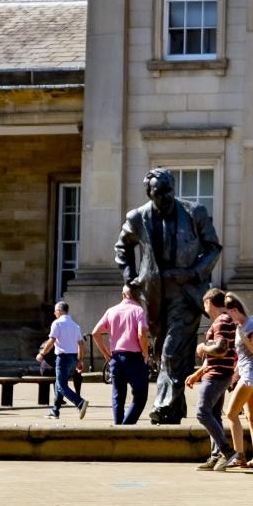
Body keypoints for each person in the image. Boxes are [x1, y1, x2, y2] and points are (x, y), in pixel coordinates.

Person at [115, 167, 222, 424]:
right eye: (158, 193)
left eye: (168, 191)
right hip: (154, 293)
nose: (164, 197)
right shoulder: (138, 217)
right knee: (167, 350)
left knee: (172, 351)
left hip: (186, 292)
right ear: (149, 192)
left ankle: (162, 405)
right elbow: (122, 247)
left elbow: (212, 247)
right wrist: (130, 279)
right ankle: (175, 409)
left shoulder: (194, 212)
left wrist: (193, 272)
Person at [187, 288, 237, 470]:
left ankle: (227, 451)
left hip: (217, 375)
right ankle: (215, 456)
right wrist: (198, 373)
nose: (204, 308)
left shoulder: (222, 321)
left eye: (205, 304)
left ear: (209, 302)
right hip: (218, 373)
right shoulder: (226, 320)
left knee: (202, 412)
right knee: (214, 415)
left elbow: (221, 348)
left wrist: (202, 347)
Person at [90, 283, 151, 424]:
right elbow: (142, 334)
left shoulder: (111, 311)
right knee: (140, 396)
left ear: (123, 295)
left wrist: (106, 354)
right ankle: (126, 426)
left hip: (116, 357)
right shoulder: (138, 311)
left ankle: (118, 427)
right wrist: (146, 353)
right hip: (135, 358)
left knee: (118, 396)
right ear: (136, 296)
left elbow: (95, 333)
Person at [222, 293, 253, 469]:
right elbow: (243, 358)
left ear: (234, 309)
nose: (228, 318)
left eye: (229, 313)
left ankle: (239, 456)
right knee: (251, 416)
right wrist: (234, 375)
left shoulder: (250, 325)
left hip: (251, 375)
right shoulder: (241, 325)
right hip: (250, 374)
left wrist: (243, 337)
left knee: (231, 414)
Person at [38, 301, 89, 419]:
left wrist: (42, 353)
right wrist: (80, 361)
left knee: (61, 386)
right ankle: (55, 411)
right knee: (59, 384)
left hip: (62, 358)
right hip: (73, 358)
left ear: (59, 311)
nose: (54, 313)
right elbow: (81, 344)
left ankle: (80, 403)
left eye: (55, 311)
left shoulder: (57, 323)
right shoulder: (75, 325)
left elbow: (51, 341)